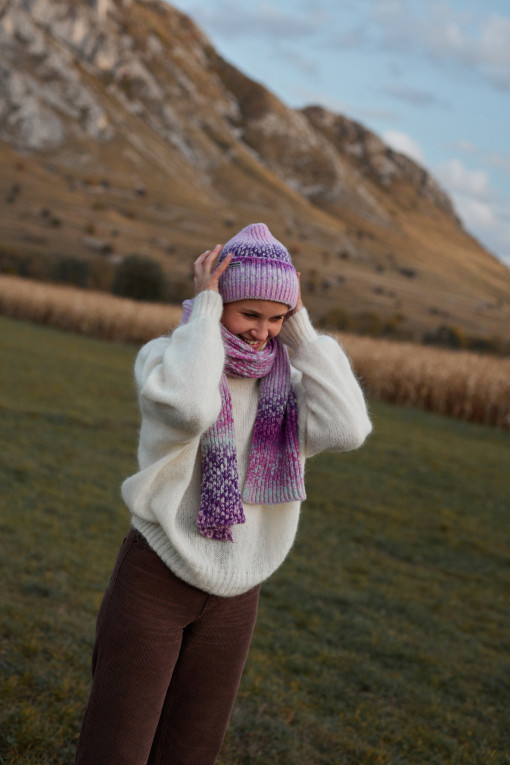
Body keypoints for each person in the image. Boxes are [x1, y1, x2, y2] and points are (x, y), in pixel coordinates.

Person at [75, 223, 372, 764]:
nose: (263, 332)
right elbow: (191, 409)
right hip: (156, 579)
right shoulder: (167, 360)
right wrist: (206, 313)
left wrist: (301, 331)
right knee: (118, 746)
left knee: (191, 750)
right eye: (249, 313)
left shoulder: (287, 388)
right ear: (220, 302)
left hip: (238, 593)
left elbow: (348, 430)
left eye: (276, 317)